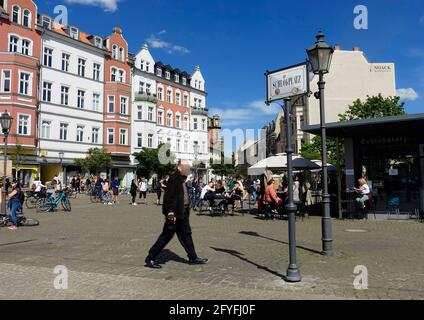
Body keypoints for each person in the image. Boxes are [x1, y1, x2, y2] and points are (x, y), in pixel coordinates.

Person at [145, 160, 208, 269]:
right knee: (166, 236)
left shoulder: (182, 179)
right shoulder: (174, 178)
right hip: (174, 214)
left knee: (186, 235)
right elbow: (168, 197)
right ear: (179, 167)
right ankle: (150, 258)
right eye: (186, 167)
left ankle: (193, 257)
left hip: (183, 213)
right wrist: (169, 212)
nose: (188, 169)